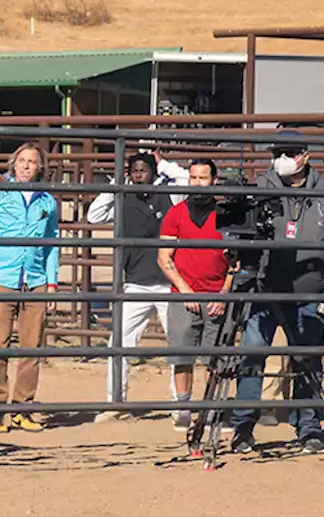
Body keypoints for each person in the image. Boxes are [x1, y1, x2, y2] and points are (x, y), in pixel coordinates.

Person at [230, 131, 324, 456]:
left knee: (307, 359)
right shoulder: (259, 187)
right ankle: (242, 427)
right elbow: (233, 232)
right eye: (278, 152)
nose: (282, 158)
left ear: (305, 155)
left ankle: (308, 428)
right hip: (264, 288)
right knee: (252, 355)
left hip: (309, 290)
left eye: (289, 152)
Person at [0, 143, 60, 434]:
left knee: (32, 349)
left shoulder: (47, 201)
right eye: (21, 160)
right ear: (14, 164)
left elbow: (52, 244)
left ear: (40, 167)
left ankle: (22, 408)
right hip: (1, 278)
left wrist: (52, 282)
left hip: (34, 281)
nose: (26, 166)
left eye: (32, 162)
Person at [87, 152, 178, 423]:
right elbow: (94, 216)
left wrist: (166, 166)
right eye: (134, 171)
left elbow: (188, 182)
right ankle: (115, 401)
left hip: (168, 282)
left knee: (177, 344)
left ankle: (179, 405)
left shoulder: (170, 194)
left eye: (144, 170)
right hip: (135, 282)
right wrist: (116, 182)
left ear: (153, 172)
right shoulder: (122, 197)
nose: (139, 175)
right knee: (120, 343)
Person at [156, 158, 232, 433]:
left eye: (203, 178)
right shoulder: (175, 214)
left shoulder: (226, 214)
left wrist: (223, 293)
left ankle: (212, 410)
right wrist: (184, 291)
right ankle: (183, 409)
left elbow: (235, 260)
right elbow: (164, 258)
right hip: (183, 295)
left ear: (214, 180)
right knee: (182, 355)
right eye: (194, 178)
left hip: (217, 295)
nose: (198, 183)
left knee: (216, 358)